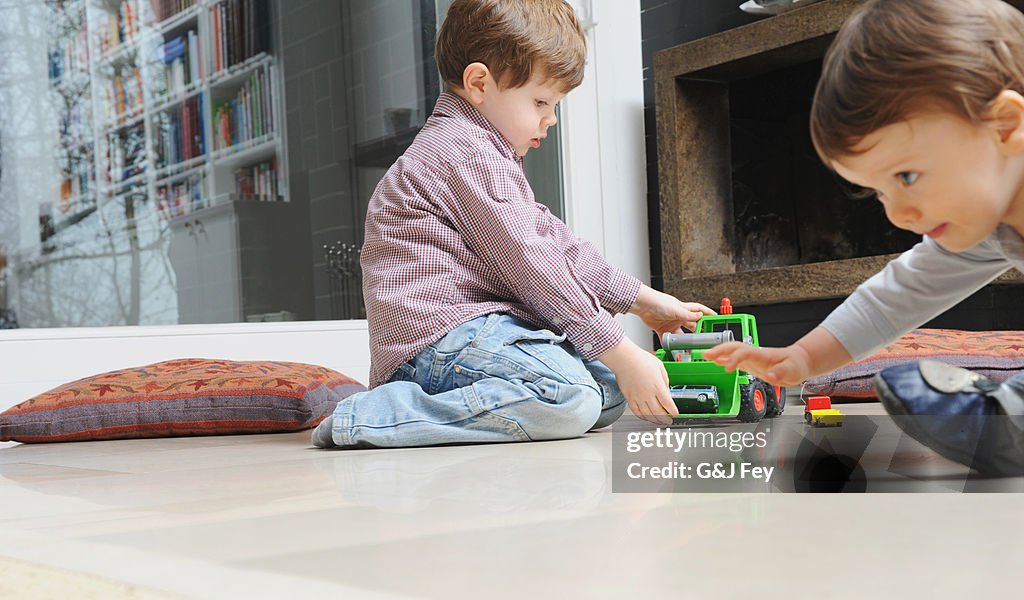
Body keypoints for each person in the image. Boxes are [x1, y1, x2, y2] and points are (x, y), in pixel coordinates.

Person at [314, 0, 714, 449]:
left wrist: (644, 302)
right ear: (479, 83)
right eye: (541, 100)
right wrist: (619, 349)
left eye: (555, 103)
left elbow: (558, 247)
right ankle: (371, 417)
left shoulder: (488, 154)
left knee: (608, 392)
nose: (551, 118)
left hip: (478, 336)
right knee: (572, 396)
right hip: (434, 343)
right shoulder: (463, 152)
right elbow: (533, 267)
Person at [703, 0, 1024, 475]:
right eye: (878, 190)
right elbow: (893, 298)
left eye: (908, 175)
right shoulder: (988, 224)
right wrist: (803, 356)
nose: (897, 212)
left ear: (1005, 126)